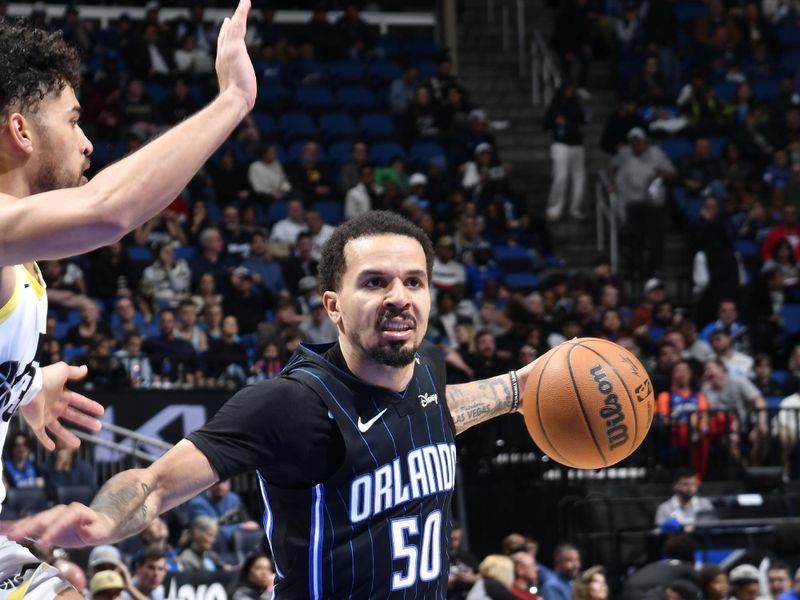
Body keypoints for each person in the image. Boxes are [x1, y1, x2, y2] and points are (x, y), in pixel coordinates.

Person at [3, 211, 537, 598]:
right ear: (333, 305)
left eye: (413, 282)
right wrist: (100, 521)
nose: (399, 296)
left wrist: (518, 387)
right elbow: (155, 483)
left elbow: (437, 409)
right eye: (374, 282)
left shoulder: (428, 370)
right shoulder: (290, 403)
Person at [0, 2, 254, 598]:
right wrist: (232, 101)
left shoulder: (21, 258)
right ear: (20, 132)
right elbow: (109, 212)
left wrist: (26, 387)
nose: (88, 143)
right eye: (73, 121)